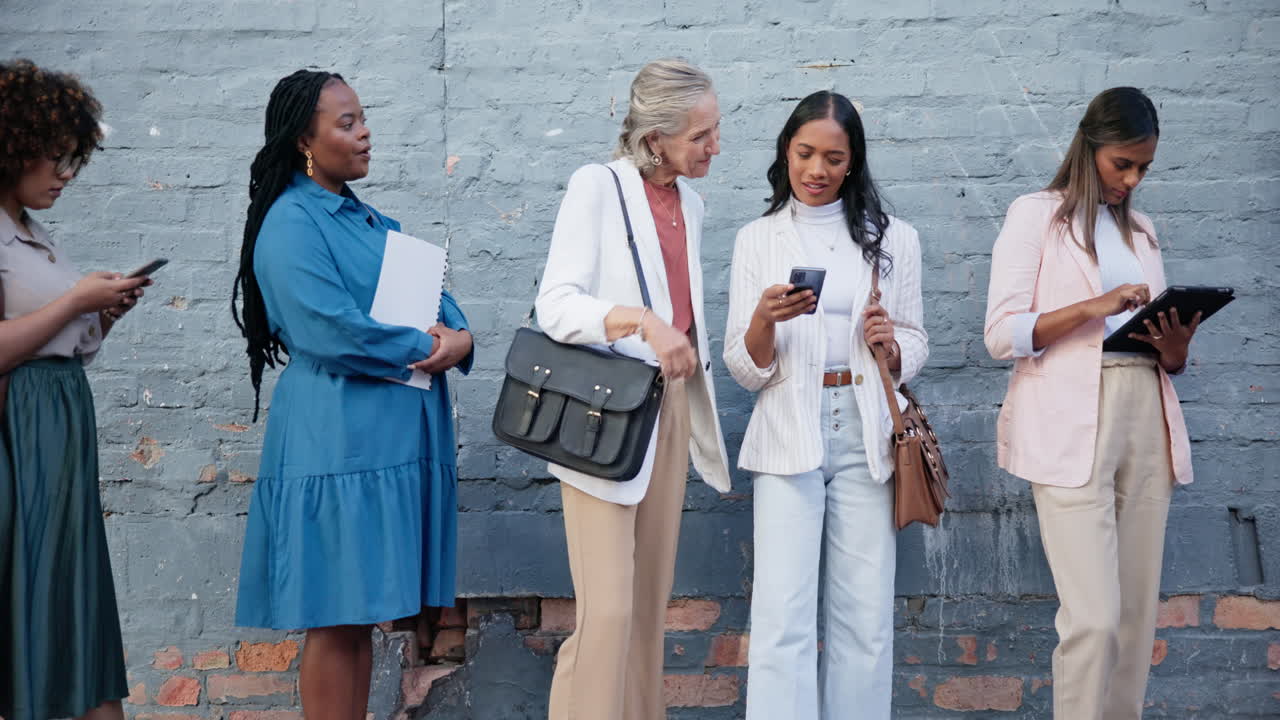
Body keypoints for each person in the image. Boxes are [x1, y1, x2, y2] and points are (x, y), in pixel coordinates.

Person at [230, 69, 473, 720]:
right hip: (336, 446)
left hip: (380, 447)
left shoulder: (366, 221)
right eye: (346, 122)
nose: (365, 131)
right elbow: (326, 328)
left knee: (359, 615)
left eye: (363, 118)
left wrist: (462, 336)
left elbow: (435, 300)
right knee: (336, 618)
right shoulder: (290, 222)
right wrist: (426, 347)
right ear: (304, 139)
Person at [984, 87, 1196, 720]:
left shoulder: (1144, 233)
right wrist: (1092, 309)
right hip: (1069, 417)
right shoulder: (1036, 216)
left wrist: (1176, 347)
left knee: (1134, 623)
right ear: (1090, 148)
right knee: (1094, 620)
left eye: (1143, 169)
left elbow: (1169, 359)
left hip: (1145, 411)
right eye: (1121, 164)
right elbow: (1001, 334)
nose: (1131, 180)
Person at [535, 58, 732, 719]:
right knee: (609, 613)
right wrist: (642, 322)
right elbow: (556, 306)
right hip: (604, 411)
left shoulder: (692, 204)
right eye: (701, 135)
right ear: (656, 138)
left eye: (715, 130)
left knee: (649, 607)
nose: (715, 146)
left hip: (668, 410)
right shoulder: (596, 186)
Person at [723, 90, 928, 720]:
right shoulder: (757, 239)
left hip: (866, 432)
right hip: (790, 429)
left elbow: (916, 342)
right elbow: (743, 367)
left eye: (834, 158)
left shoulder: (892, 238)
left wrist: (890, 348)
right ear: (786, 151)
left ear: (853, 161)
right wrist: (763, 318)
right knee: (782, 614)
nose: (817, 170)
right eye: (805, 153)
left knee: (864, 616)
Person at [0, 59, 150, 720]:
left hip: (59, 429)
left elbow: (64, 347)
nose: (64, 174)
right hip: (20, 436)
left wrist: (102, 314)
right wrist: (74, 302)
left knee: (68, 589)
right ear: (14, 149)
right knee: (30, 587)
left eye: (72, 159)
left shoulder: (36, 236)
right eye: (54, 158)